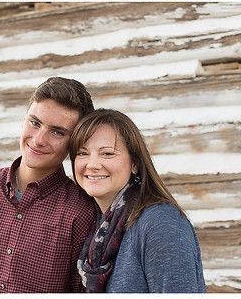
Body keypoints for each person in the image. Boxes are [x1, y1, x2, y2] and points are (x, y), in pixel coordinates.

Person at [0, 77, 96, 293]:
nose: (38, 139)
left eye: (57, 132)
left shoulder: (80, 210)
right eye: (34, 123)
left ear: (74, 143)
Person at [69, 109, 206, 293]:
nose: (92, 164)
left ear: (134, 164)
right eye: (83, 153)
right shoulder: (97, 229)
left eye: (107, 154)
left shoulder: (160, 222)